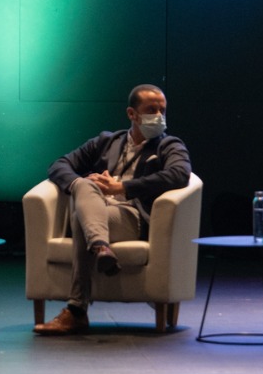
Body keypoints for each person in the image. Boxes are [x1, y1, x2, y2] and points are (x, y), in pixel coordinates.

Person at [34, 83, 192, 335]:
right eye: (152, 110)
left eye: (163, 110)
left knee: (79, 219)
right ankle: (101, 246)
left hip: (131, 216)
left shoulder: (168, 145)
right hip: (97, 211)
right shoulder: (106, 141)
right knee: (84, 186)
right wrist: (78, 184)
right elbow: (58, 165)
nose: (159, 116)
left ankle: (76, 310)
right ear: (132, 114)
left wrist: (121, 187)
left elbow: (179, 175)